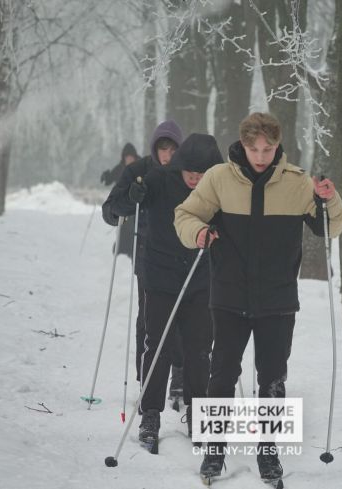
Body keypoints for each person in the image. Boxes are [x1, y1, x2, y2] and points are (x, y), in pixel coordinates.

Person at [174, 113, 342, 484]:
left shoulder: (298, 183)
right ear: (243, 145)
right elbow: (185, 214)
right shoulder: (219, 178)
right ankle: (214, 452)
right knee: (220, 375)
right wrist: (199, 233)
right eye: (254, 148)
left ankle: (268, 453)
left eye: (268, 149)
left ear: (277, 146)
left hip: (277, 299)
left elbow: (330, 227)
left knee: (272, 379)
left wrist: (329, 200)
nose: (261, 155)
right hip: (229, 294)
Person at [105, 133, 224, 452]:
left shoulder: (220, 187)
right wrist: (132, 196)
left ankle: (199, 416)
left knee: (200, 350)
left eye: (202, 175)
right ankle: (151, 414)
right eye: (191, 174)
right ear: (181, 166)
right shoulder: (156, 178)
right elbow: (112, 210)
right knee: (157, 346)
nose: (195, 180)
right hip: (159, 277)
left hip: (202, 279)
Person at [102, 121, 185, 400]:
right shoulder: (138, 171)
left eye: (173, 148)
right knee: (149, 319)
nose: (168, 155)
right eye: (163, 148)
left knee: (182, 318)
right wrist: (130, 198)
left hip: (184, 255)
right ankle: (146, 378)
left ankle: (179, 376)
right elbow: (110, 210)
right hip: (148, 255)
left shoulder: (188, 173)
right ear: (154, 148)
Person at [101, 143, 140, 257]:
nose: (129, 160)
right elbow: (110, 178)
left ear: (135, 157)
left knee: (135, 226)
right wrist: (106, 176)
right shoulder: (120, 168)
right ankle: (122, 247)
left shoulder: (141, 165)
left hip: (138, 203)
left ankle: (134, 248)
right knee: (123, 225)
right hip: (123, 203)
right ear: (123, 158)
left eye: (131, 157)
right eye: (127, 157)